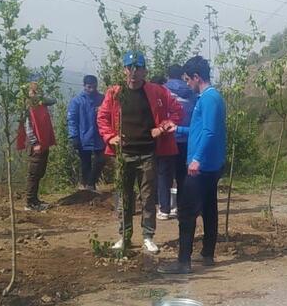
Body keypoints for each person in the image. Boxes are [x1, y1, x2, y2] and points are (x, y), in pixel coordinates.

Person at [96, 50, 183, 254]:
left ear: (145, 71)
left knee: (148, 197)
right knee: (124, 196)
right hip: (123, 154)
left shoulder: (157, 91)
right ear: (124, 70)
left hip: (147, 153)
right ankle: (124, 236)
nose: (133, 72)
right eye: (130, 68)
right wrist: (110, 136)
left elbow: (177, 111)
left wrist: (162, 128)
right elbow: (102, 117)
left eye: (138, 68)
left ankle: (148, 236)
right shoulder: (114, 93)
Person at [157, 55, 226, 275]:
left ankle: (183, 262)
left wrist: (197, 159)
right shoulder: (208, 98)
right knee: (208, 208)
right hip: (208, 164)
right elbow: (199, 130)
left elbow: (210, 132)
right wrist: (177, 129)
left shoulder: (209, 98)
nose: (187, 84)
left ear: (197, 77)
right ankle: (207, 254)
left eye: (188, 79)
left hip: (203, 166)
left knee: (187, 212)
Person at [156, 64, 197, 220]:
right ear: (182, 75)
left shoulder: (162, 91)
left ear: (168, 75)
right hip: (187, 138)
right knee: (182, 174)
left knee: (163, 174)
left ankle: (164, 209)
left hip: (168, 138)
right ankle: (180, 208)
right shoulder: (192, 92)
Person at [17, 79, 57, 212]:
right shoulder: (28, 105)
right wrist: (35, 143)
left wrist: (42, 97)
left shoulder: (40, 102)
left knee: (40, 172)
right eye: (33, 89)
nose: (35, 92)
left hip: (43, 142)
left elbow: (53, 100)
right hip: (36, 144)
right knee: (34, 173)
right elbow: (28, 127)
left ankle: (35, 200)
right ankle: (30, 202)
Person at [67, 75, 106, 192]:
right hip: (83, 137)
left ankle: (90, 183)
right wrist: (74, 136)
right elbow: (72, 120)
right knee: (85, 163)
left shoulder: (102, 99)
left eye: (94, 87)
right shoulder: (77, 101)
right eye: (89, 87)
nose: (92, 89)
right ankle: (86, 188)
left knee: (101, 159)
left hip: (99, 137)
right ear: (84, 86)